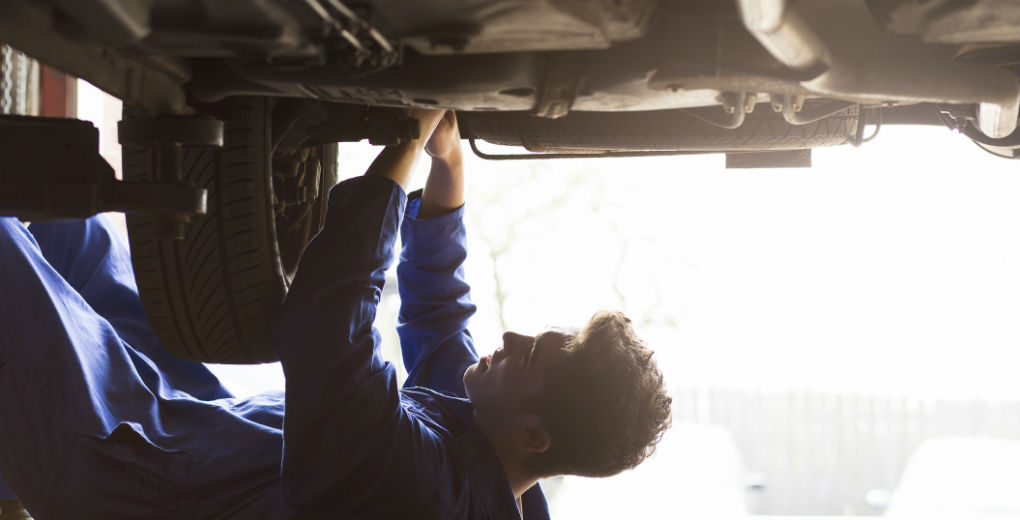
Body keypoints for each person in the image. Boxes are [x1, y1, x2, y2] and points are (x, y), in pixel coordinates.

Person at [0, 109, 671, 519]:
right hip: (194, 436)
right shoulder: (496, 465)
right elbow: (440, 326)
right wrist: (449, 177)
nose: (513, 337)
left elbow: (328, 329)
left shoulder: (423, 498)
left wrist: (402, 153)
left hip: (129, 482)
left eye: (532, 356)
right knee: (75, 242)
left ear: (534, 434)